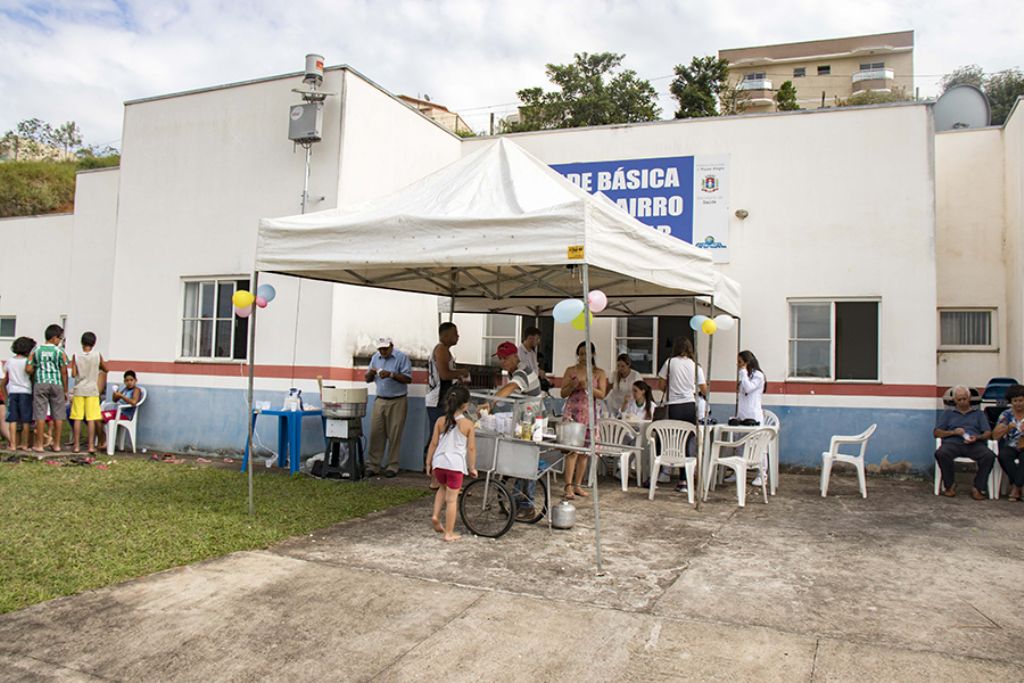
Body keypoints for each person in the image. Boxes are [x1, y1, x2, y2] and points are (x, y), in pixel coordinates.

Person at [492, 341, 543, 519]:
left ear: (515, 356)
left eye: (505, 358)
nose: (502, 362)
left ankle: (527, 506)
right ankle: (513, 501)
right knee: (517, 463)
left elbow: (511, 387)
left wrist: (491, 402)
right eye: (500, 359)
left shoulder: (523, 371)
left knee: (525, 465)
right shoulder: (517, 372)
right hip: (525, 423)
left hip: (532, 424)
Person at [426, 385, 477, 542]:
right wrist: (472, 468)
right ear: (465, 405)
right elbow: (471, 448)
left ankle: (435, 516)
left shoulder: (440, 421)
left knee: (441, 488)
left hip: (439, 464)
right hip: (454, 466)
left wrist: (428, 462)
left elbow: (433, 443)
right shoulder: (468, 424)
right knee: (452, 500)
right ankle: (449, 532)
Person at [657, 337, 707, 493]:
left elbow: (661, 385)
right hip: (689, 405)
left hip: (674, 406)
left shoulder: (669, 363)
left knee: (673, 440)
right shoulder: (696, 366)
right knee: (687, 443)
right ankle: (684, 480)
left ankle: (666, 471)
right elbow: (704, 389)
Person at [560, 341, 608, 500]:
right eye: (580, 354)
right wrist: (573, 386)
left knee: (585, 453)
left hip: (589, 414)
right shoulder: (570, 370)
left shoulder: (599, 373)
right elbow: (562, 393)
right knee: (572, 451)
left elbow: (602, 393)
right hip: (572, 412)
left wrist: (587, 385)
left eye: (586, 354)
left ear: (593, 354)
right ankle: (568, 486)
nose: (582, 357)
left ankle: (578, 485)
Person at [934, 385, 994, 499]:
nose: (962, 402)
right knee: (941, 453)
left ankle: (978, 487)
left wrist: (977, 437)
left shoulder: (979, 414)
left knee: (989, 456)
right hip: (953, 443)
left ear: (969, 398)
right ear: (954, 400)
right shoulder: (948, 414)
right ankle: (949, 485)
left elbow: (988, 433)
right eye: (959, 399)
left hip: (974, 444)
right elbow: (936, 433)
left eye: (964, 399)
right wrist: (953, 432)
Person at [364, 336, 412, 477]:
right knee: (376, 432)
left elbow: (408, 379)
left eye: (385, 349)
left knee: (394, 433)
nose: (383, 352)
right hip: (380, 399)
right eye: (380, 349)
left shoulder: (401, 357)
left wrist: (391, 374)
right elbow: (367, 379)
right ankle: (373, 465)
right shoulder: (375, 358)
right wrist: (371, 373)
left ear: (391, 346)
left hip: (397, 400)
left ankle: (392, 465)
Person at [424, 322, 470, 461]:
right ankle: (430, 461)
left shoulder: (446, 351)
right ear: (445, 335)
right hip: (438, 399)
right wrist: (460, 372)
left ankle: (437, 461)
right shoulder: (441, 350)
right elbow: (444, 375)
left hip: (444, 398)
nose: (458, 336)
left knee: (444, 432)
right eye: (455, 333)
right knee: (438, 432)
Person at [27, 324, 69, 454]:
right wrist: (65, 389)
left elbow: (29, 368)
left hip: (40, 383)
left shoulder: (36, 350)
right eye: (60, 338)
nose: (60, 341)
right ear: (54, 338)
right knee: (58, 414)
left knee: (40, 414)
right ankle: (56, 445)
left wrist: (35, 373)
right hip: (56, 384)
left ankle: (39, 445)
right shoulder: (60, 351)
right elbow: (64, 372)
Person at [70, 331, 107, 454]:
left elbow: (73, 374)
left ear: (81, 342)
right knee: (91, 419)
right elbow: (105, 368)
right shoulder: (97, 355)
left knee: (77, 418)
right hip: (92, 390)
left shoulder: (76, 356)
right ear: (94, 343)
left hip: (79, 389)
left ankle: (76, 446)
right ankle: (91, 446)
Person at [992, 383, 1024, 501]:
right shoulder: (1006, 415)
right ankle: (1018, 486)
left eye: (1021, 400)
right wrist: (1007, 428)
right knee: (1003, 456)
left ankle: (1015, 488)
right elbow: (994, 436)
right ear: (1011, 401)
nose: (1018, 403)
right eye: (1015, 401)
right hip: (1010, 445)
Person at [4, 337, 36, 451]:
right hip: (25, 391)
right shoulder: (28, 362)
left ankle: (13, 444)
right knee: (25, 420)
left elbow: (6, 378)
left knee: (12, 419)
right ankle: (24, 444)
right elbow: (31, 375)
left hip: (13, 391)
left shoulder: (9, 361)